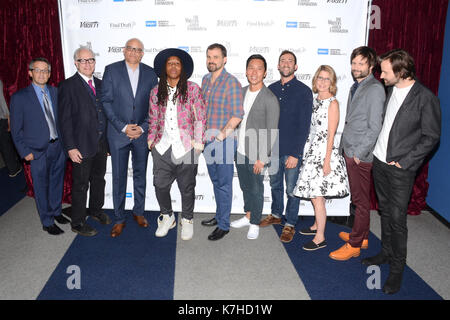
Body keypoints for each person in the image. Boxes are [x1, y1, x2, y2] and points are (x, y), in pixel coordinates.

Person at [364, 49, 441, 294]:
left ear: (401, 71)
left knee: (398, 221)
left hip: (400, 169)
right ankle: (386, 253)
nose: (381, 75)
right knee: (385, 213)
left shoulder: (424, 97)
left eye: (385, 71)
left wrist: (406, 161)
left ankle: (397, 270)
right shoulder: (390, 90)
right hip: (379, 161)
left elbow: (431, 136)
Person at [329, 46, 385, 260]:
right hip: (351, 149)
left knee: (360, 202)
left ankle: (354, 245)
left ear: (371, 66)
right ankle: (362, 237)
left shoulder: (374, 89)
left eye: (361, 63)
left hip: (360, 154)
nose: (356, 67)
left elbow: (375, 126)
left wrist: (359, 153)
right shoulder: (357, 86)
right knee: (359, 198)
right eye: (354, 63)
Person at [101, 38, 158, 237]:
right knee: (118, 178)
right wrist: (123, 127)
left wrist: (142, 128)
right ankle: (119, 219)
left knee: (141, 175)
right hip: (118, 135)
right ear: (124, 50)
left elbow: (155, 105)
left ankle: (139, 212)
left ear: (142, 53)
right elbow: (106, 102)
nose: (134, 52)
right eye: (130, 48)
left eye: (138, 50)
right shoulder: (111, 70)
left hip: (142, 135)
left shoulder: (151, 74)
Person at [148, 48, 206, 241]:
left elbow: (200, 118)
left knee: (187, 187)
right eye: (170, 63)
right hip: (162, 147)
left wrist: (198, 143)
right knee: (160, 186)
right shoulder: (156, 91)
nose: (173, 66)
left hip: (187, 148)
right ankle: (168, 216)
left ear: (183, 68)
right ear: (165, 67)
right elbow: (153, 118)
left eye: (177, 63)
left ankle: (187, 220)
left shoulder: (193, 89)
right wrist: (151, 141)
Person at [10, 58, 69, 235]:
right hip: (36, 151)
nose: (42, 74)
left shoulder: (56, 92)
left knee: (57, 182)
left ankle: (56, 211)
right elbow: (15, 129)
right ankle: (47, 220)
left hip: (58, 147)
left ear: (50, 74)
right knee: (41, 186)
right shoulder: (19, 97)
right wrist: (24, 152)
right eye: (38, 70)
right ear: (30, 72)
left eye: (46, 71)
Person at [259, 50, 313, 243]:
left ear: (295, 66)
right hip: (273, 150)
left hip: (291, 152)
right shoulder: (270, 89)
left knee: (291, 189)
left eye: (290, 61)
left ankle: (290, 223)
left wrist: (296, 154)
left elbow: (304, 125)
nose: (286, 63)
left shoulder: (304, 91)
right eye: (283, 60)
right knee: (275, 185)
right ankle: (275, 214)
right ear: (278, 66)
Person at [58, 46, 111, 237]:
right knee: (80, 185)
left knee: (99, 180)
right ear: (76, 63)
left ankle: (96, 210)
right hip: (80, 146)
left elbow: (104, 114)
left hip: (100, 144)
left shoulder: (101, 83)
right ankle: (78, 222)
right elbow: (64, 121)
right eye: (83, 60)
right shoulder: (67, 86)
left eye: (91, 60)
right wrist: (70, 147)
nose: (88, 64)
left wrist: (107, 143)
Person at [294, 65, 349, 250]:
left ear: (332, 82)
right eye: (320, 78)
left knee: (317, 196)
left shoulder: (332, 103)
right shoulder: (315, 100)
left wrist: (327, 161)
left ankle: (320, 238)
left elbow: (331, 135)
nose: (323, 82)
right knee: (314, 194)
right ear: (315, 80)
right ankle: (317, 225)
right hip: (312, 151)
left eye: (327, 79)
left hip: (325, 153)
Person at [230, 54, 279, 240]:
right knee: (245, 186)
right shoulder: (241, 92)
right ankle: (248, 215)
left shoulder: (269, 98)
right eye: (251, 67)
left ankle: (255, 222)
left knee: (257, 189)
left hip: (257, 154)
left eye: (259, 68)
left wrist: (262, 158)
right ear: (246, 70)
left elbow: (272, 130)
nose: (254, 72)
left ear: (265, 73)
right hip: (240, 150)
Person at [200, 43, 244, 241]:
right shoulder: (205, 80)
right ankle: (219, 216)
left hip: (223, 142)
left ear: (224, 59)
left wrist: (219, 137)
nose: (212, 60)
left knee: (224, 185)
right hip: (207, 142)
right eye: (209, 56)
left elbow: (237, 115)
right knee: (216, 182)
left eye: (216, 57)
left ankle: (224, 225)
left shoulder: (231, 82)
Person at [0, 79, 22, 177]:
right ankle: (14, 168)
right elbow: (2, 99)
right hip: (4, 117)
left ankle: (13, 168)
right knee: (7, 143)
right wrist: (8, 116)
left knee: (5, 143)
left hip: (3, 117)